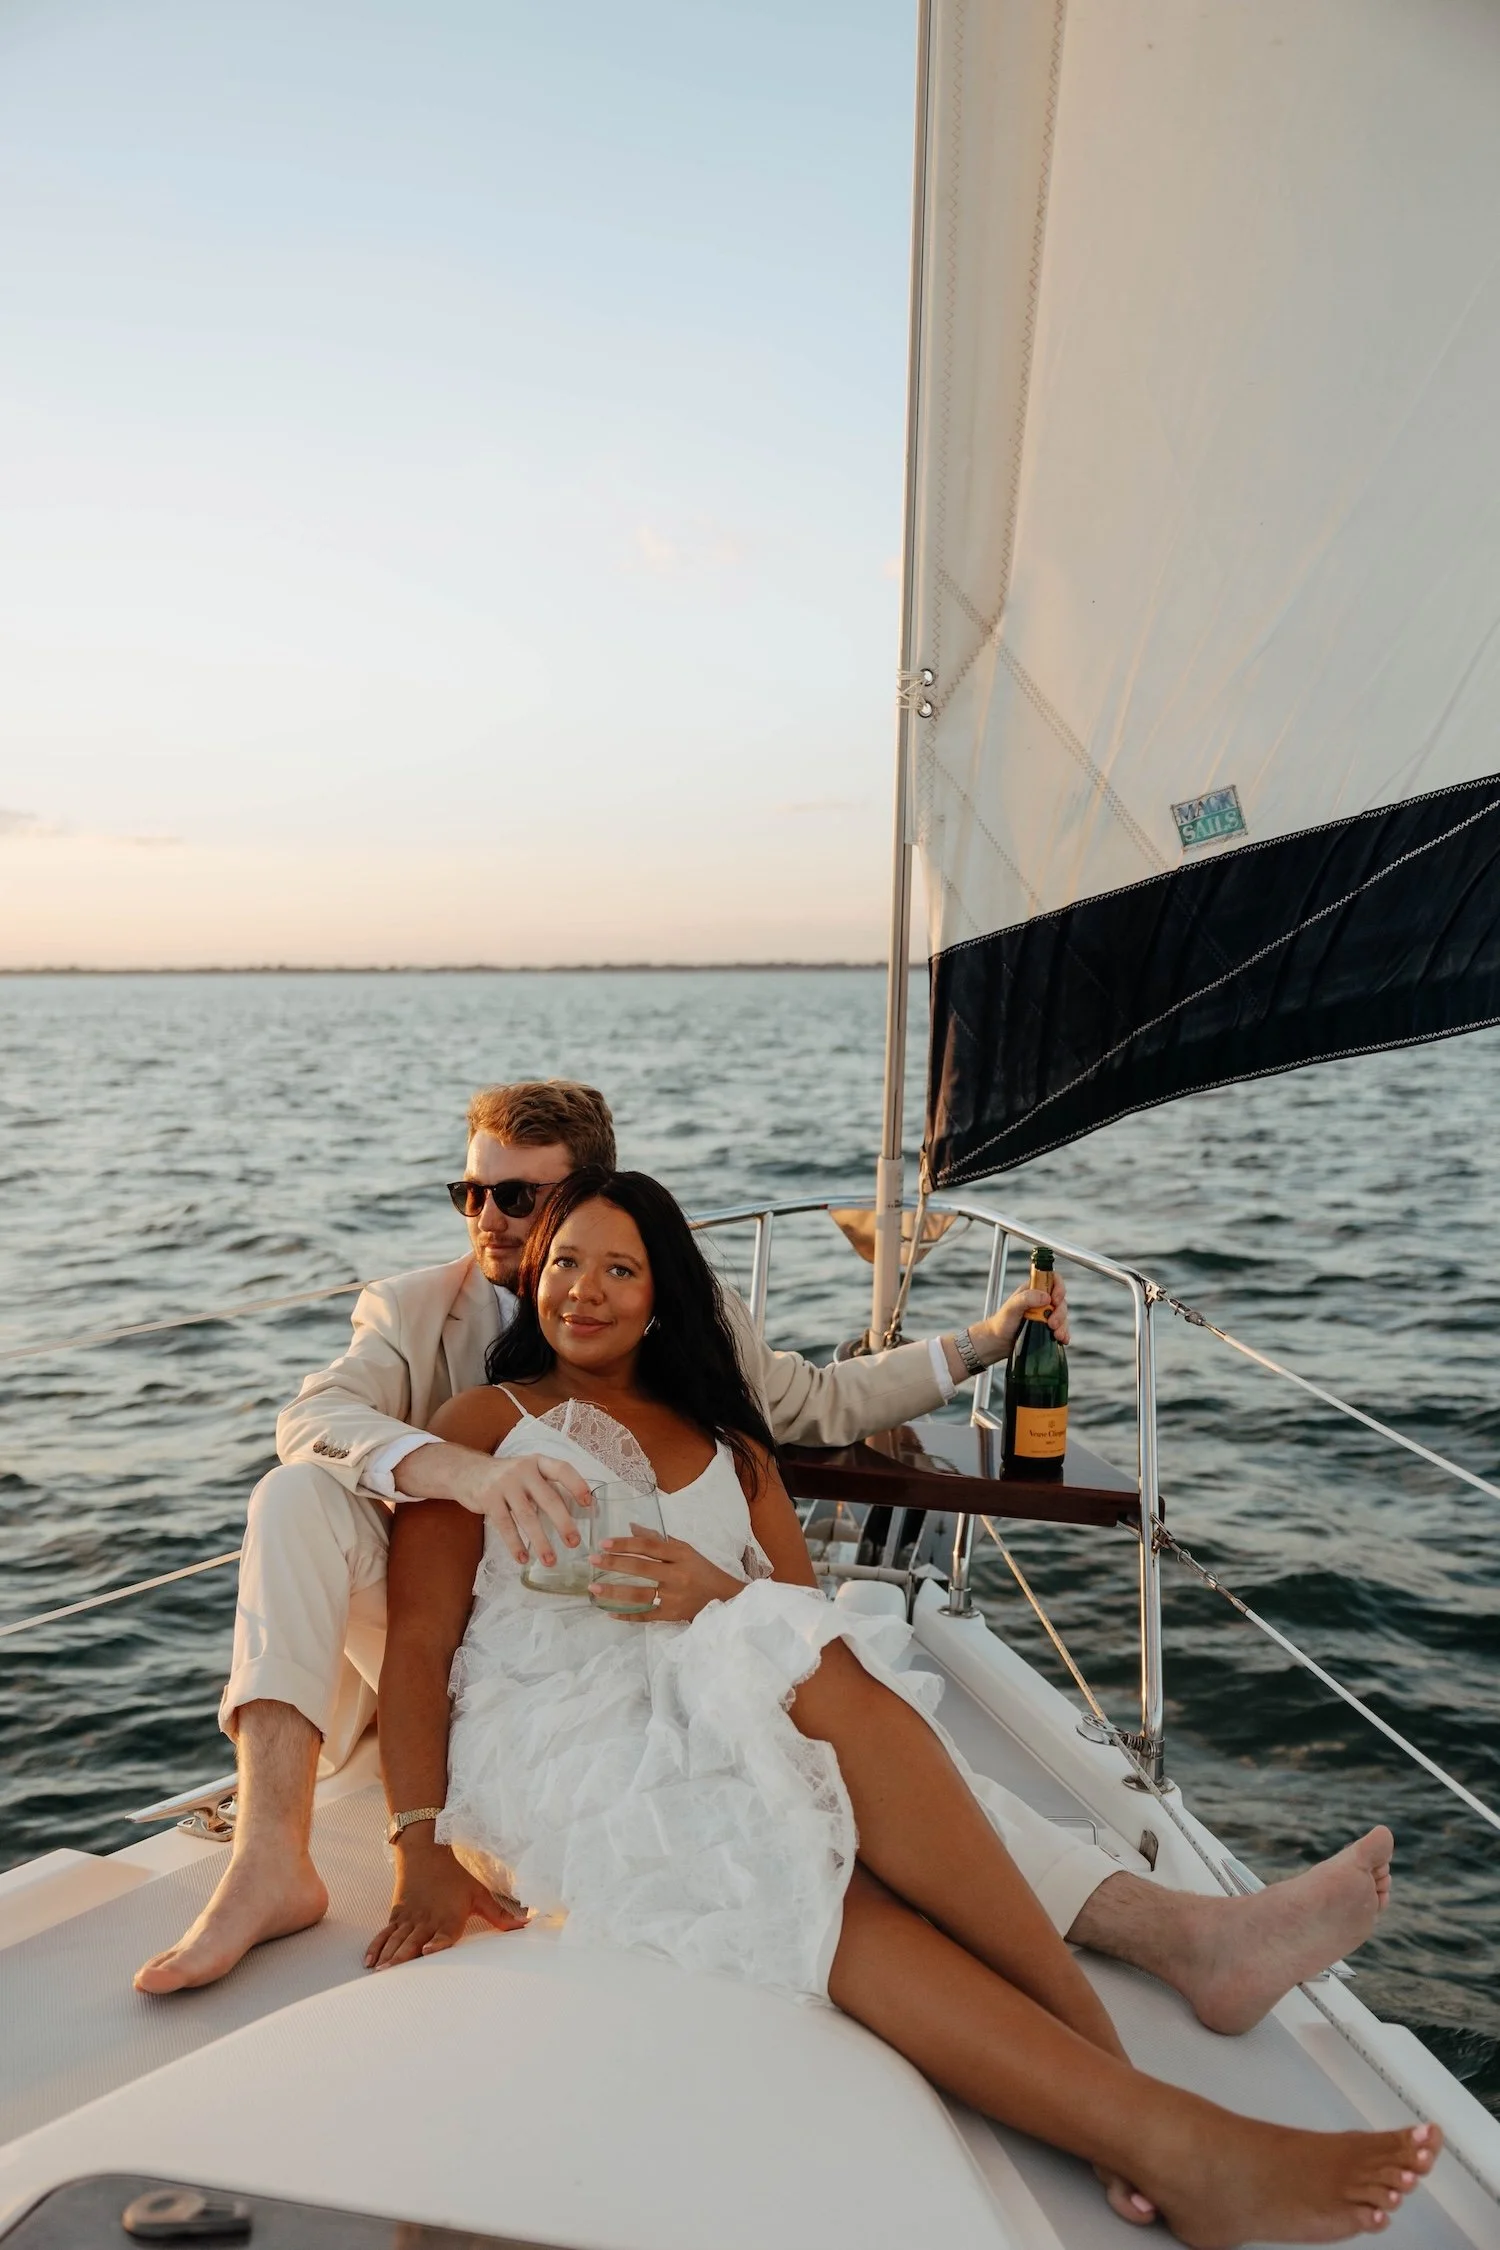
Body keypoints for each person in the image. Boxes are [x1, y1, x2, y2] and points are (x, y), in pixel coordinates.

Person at [137, 1079, 1391, 2004]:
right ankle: (270, 1858)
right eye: (471, 1191)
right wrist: (470, 1468)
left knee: (857, 1734)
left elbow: (811, 1404)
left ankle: (1172, 1934)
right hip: (451, 1640)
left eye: (518, 1196)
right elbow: (314, 1417)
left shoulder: (676, 1313)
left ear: (591, 1201)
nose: (489, 1219)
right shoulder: (418, 1311)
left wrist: (980, 1343)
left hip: (626, 1629)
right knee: (294, 1495)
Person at [369, 1170, 1439, 2248]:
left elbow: (797, 1616)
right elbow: (417, 1644)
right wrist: (419, 1846)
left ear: (662, 1297)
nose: (584, 1290)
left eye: (619, 1269)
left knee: (828, 1808)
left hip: (710, 1703)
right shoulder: (484, 1423)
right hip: (560, 1736)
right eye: (564, 1262)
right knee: (823, 1868)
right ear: (535, 1277)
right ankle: (1152, 2115)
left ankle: (1133, 2103)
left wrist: (715, 1590)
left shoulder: (732, 1445)